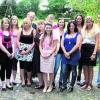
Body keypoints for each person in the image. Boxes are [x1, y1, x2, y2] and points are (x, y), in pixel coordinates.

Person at [61, 20, 82, 92]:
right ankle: (64, 85)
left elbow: (77, 45)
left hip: (74, 55)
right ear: (68, 26)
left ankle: (71, 86)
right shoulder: (65, 33)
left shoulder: (78, 34)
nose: (71, 27)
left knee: (73, 71)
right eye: (70, 26)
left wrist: (69, 53)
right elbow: (62, 44)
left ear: (75, 26)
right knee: (64, 71)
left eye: (73, 25)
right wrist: (65, 53)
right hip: (65, 55)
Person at [16, 18, 35, 87]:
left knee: (29, 66)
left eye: (26, 23)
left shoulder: (33, 31)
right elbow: (17, 40)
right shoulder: (20, 30)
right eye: (24, 23)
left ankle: (29, 79)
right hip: (21, 50)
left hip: (30, 50)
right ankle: (23, 80)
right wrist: (21, 50)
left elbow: (34, 42)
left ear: (30, 24)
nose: (25, 24)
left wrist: (27, 51)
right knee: (22, 65)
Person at [81, 16, 99, 90]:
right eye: (87, 21)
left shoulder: (96, 30)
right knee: (85, 67)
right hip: (84, 49)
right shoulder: (83, 30)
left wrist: (94, 53)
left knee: (90, 67)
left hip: (92, 49)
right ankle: (86, 83)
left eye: (90, 21)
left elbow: (97, 42)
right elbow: (81, 40)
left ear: (92, 22)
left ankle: (90, 84)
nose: (88, 23)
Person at [39, 23, 57, 93]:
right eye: (47, 28)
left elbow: (55, 46)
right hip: (43, 54)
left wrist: (49, 53)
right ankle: (46, 85)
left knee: (50, 71)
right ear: (45, 28)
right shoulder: (42, 36)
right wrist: (42, 53)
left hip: (50, 55)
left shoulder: (54, 36)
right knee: (44, 71)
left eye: (49, 28)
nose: (48, 29)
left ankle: (50, 85)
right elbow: (40, 46)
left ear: (51, 28)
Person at [0, 17, 13, 91]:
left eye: (7, 23)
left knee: (9, 68)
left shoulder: (10, 32)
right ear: (2, 24)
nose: (7, 24)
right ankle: (3, 84)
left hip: (10, 51)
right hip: (2, 53)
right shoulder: (0, 32)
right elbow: (0, 45)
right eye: (5, 23)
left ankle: (8, 83)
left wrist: (13, 52)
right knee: (2, 68)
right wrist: (8, 53)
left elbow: (12, 43)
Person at [53, 18, 66, 88]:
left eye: (62, 22)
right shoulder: (54, 31)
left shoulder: (66, 31)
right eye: (60, 22)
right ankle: (52, 81)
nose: (61, 23)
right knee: (56, 67)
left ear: (64, 23)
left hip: (64, 52)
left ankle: (60, 81)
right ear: (58, 23)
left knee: (63, 69)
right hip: (57, 52)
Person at [33, 20, 45, 89]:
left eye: (42, 24)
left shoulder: (47, 33)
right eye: (39, 24)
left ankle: (44, 83)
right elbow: (34, 42)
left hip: (44, 52)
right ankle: (40, 83)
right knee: (38, 67)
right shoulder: (37, 33)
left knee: (44, 68)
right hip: (36, 52)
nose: (40, 25)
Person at [75, 15, 85, 85]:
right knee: (73, 63)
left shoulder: (84, 27)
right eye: (77, 19)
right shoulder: (73, 27)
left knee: (81, 64)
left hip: (83, 47)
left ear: (82, 19)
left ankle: (78, 78)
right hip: (74, 47)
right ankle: (70, 78)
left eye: (80, 19)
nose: (79, 20)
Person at [10, 15, 20, 85]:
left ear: (17, 21)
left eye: (16, 19)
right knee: (9, 64)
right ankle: (9, 78)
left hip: (16, 49)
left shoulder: (19, 29)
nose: (14, 20)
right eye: (13, 19)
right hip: (9, 48)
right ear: (11, 20)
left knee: (14, 64)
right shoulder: (8, 28)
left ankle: (13, 79)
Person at [96, 14, 100, 88]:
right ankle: (87, 82)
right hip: (94, 48)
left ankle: (99, 81)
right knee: (89, 65)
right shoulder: (95, 26)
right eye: (99, 17)